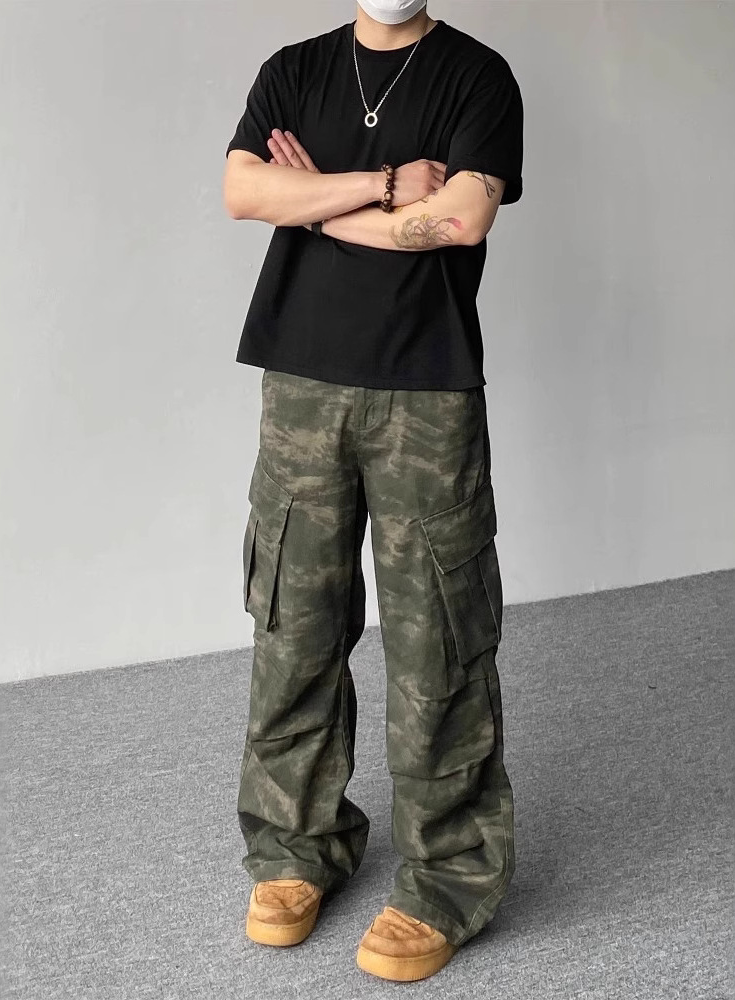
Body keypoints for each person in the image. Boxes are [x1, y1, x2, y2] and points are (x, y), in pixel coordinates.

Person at [223, 0, 523, 982]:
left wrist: (312, 199)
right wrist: (384, 189)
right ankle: (295, 849)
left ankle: (448, 876)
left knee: (439, 634)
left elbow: (462, 217)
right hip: (300, 378)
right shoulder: (294, 70)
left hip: (425, 389)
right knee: (293, 622)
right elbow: (242, 190)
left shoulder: (477, 77)